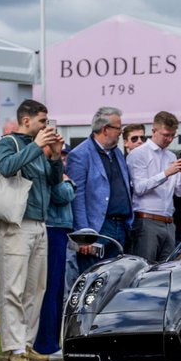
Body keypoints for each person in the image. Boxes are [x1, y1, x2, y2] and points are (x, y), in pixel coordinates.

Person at [0, 99, 65, 361]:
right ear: (27, 120)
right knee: (13, 289)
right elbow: (6, 168)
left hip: (39, 223)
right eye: (42, 121)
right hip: (14, 224)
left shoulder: (39, 148)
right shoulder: (8, 143)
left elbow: (54, 183)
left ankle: (26, 342)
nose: (46, 126)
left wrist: (55, 156)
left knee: (36, 288)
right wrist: (37, 146)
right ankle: (15, 349)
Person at [67, 107, 134, 275]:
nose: (121, 132)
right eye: (118, 128)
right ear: (105, 129)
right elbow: (77, 197)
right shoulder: (80, 154)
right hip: (98, 229)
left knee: (115, 280)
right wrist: (84, 235)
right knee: (93, 281)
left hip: (121, 227)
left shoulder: (117, 153)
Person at [127, 111, 181, 263]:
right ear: (154, 131)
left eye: (172, 135)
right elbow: (139, 188)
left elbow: (180, 192)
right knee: (143, 269)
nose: (169, 139)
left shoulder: (171, 156)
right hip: (146, 219)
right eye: (166, 135)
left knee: (166, 271)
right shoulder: (138, 154)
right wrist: (166, 173)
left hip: (168, 221)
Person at [33, 145, 76, 357]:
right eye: (59, 156)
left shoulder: (55, 172)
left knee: (56, 288)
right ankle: (45, 343)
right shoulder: (48, 172)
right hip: (51, 228)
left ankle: (51, 341)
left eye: (65, 156)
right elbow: (62, 194)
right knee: (50, 287)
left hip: (59, 228)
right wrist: (67, 182)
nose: (63, 161)